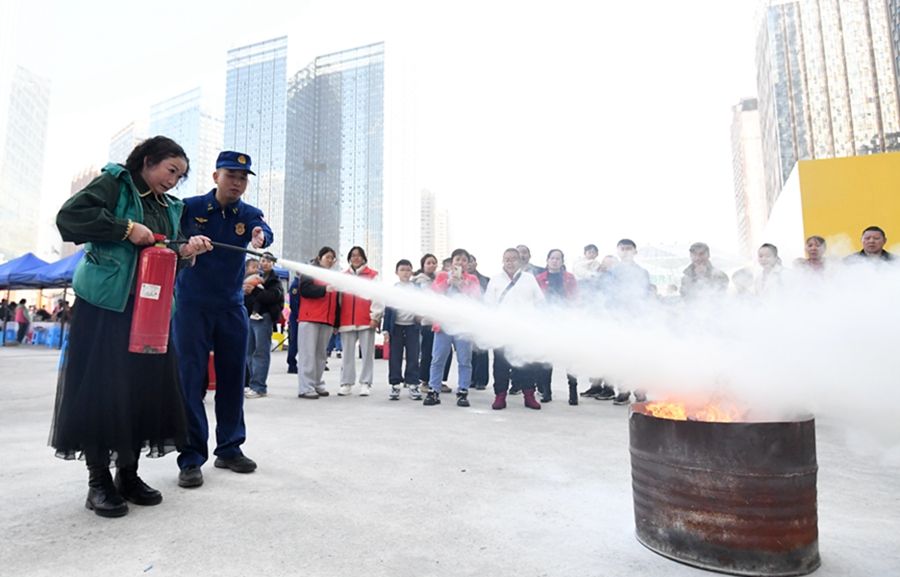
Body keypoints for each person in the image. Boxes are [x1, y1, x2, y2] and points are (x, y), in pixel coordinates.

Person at [50, 136, 212, 517]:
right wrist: (126, 229)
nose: (174, 180)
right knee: (102, 391)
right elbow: (69, 217)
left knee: (142, 390)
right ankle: (98, 481)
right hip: (107, 306)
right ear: (147, 160)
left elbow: (164, 254)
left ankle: (128, 473)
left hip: (150, 312)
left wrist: (185, 252)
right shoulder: (115, 184)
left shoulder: (169, 207)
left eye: (180, 176)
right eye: (171, 170)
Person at [174, 150, 272, 489]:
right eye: (231, 175)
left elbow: (263, 230)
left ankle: (230, 448)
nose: (237, 183)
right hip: (192, 306)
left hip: (231, 307)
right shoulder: (190, 207)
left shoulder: (248, 214)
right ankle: (190, 457)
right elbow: (173, 239)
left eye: (243, 178)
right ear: (216, 176)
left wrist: (260, 237)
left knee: (233, 378)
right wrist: (188, 245)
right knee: (190, 380)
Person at [483, 248, 545, 410]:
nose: (510, 262)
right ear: (502, 261)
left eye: (513, 259)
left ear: (519, 261)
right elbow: (488, 305)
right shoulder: (495, 280)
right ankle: (500, 396)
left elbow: (540, 302)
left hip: (524, 331)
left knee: (527, 365)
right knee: (501, 365)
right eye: (507, 259)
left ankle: (529, 396)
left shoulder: (529, 279)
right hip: (501, 331)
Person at [424, 248, 482, 407]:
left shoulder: (472, 279)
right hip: (443, 325)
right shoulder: (442, 276)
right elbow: (433, 294)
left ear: (468, 264)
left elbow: (476, 300)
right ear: (452, 262)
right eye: (457, 259)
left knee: (464, 360)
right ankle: (433, 390)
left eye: (464, 260)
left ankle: (462, 391)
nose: (460, 263)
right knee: (438, 359)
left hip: (463, 327)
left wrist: (463, 285)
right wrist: (448, 282)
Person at [607, 239, 651, 405]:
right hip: (618, 320)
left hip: (637, 320)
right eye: (622, 249)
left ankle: (640, 390)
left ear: (635, 252)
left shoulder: (642, 273)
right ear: (618, 252)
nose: (625, 252)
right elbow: (606, 295)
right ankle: (623, 391)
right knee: (621, 356)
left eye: (629, 249)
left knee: (639, 356)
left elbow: (646, 296)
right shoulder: (612, 272)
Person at [534, 249, 580, 404]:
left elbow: (575, 298)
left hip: (565, 322)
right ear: (547, 261)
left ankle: (573, 391)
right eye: (552, 258)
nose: (555, 261)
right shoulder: (539, 278)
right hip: (546, 323)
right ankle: (546, 391)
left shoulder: (569, 278)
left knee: (570, 358)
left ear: (562, 262)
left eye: (558, 258)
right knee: (546, 359)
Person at [337, 246, 383, 397]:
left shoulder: (372, 275)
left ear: (363, 258)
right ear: (349, 258)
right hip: (346, 321)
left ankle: (365, 383)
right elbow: (339, 299)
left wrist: (375, 316)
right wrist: (337, 321)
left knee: (367, 354)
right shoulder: (343, 276)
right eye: (353, 255)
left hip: (366, 320)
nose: (356, 258)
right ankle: (346, 383)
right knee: (347, 354)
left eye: (359, 255)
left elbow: (378, 297)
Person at [296, 247, 338, 399]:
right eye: (327, 257)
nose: (330, 260)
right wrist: (324, 289)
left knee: (321, 355)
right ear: (319, 258)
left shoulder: (333, 276)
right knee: (308, 354)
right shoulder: (310, 271)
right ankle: (305, 387)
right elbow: (305, 290)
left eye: (333, 258)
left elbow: (337, 302)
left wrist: (336, 322)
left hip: (327, 320)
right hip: (310, 318)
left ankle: (317, 383)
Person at [244, 252, 283, 398]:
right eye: (262, 260)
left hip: (264, 318)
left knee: (260, 353)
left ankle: (259, 387)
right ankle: (252, 384)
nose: (264, 263)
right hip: (250, 317)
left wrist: (255, 290)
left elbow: (272, 297)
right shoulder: (253, 277)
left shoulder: (274, 281)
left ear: (273, 264)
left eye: (268, 261)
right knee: (249, 353)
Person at [382, 259, 422, 401]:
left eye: (408, 270)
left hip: (412, 327)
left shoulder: (417, 289)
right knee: (395, 357)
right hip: (396, 328)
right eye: (402, 270)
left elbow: (423, 306)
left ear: (412, 272)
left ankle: (413, 384)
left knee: (413, 356)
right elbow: (387, 310)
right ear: (396, 272)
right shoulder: (393, 290)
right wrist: (386, 330)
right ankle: (395, 385)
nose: (405, 273)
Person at [413, 254, 438, 390]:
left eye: (434, 262)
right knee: (427, 352)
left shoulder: (440, 279)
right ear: (423, 265)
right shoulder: (418, 282)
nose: (431, 265)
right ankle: (425, 381)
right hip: (426, 322)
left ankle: (438, 380)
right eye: (428, 263)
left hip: (439, 321)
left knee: (441, 354)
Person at [467, 254, 490, 390]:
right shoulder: (460, 280)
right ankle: (470, 378)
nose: (469, 264)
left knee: (481, 349)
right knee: (469, 350)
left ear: (476, 263)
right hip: (466, 319)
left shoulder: (486, 280)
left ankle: (481, 380)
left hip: (481, 319)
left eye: (471, 261)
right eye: (467, 261)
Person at [285, 274, 301, 374]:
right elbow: (294, 303)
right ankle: (292, 364)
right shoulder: (296, 285)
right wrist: (298, 315)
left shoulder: (300, 283)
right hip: (296, 317)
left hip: (298, 316)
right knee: (294, 341)